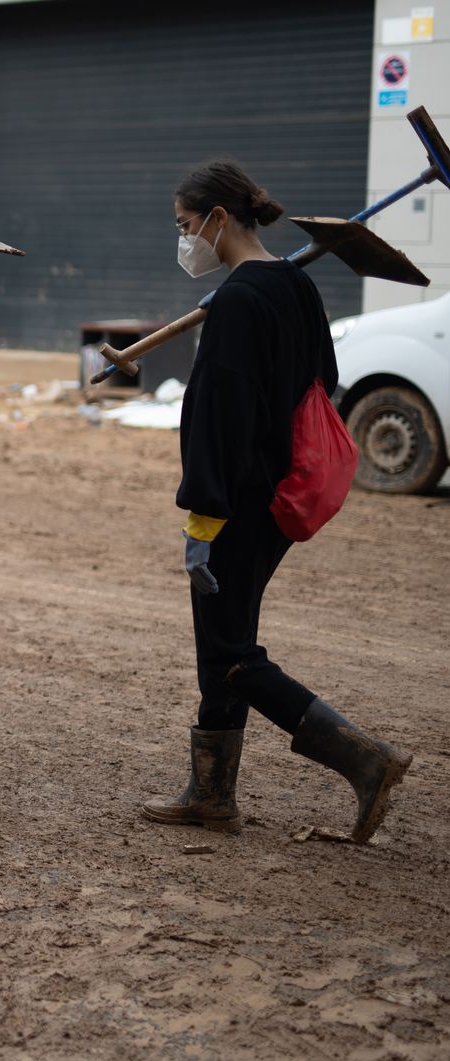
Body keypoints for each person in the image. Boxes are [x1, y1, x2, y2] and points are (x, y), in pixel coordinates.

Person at [140, 161, 411, 843]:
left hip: (236, 503)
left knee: (231, 651)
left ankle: (364, 758)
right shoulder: (296, 284)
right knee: (221, 638)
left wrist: (202, 517)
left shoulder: (238, 301)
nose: (184, 240)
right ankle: (211, 793)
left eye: (184, 226)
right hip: (283, 494)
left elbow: (218, 421)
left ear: (217, 220)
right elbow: (325, 380)